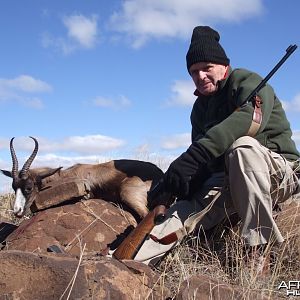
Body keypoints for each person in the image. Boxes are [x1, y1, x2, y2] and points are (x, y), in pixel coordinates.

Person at [133, 26, 300, 273]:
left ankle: (258, 250)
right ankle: (130, 260)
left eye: (207, 67)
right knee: (182, 209)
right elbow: (200, 158)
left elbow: (250, 121)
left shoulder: (247, 81)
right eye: (193, 72)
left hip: (276, 172)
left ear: (224, 67)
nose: (200, 76)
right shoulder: (199, 109)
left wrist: (197, 155)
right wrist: (187, 180)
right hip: (228, 177)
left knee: (241, 147)